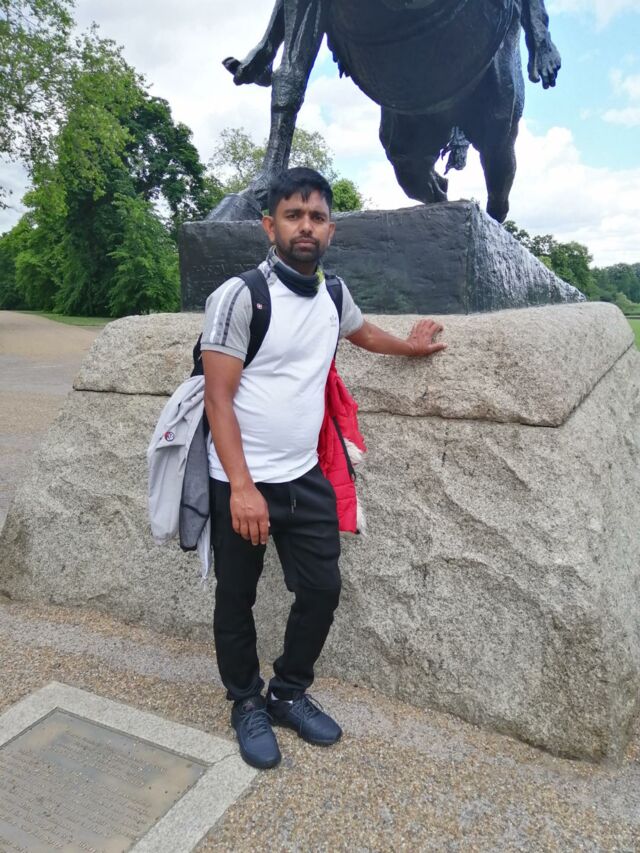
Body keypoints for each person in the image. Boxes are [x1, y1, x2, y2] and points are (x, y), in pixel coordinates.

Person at [201, 167, 446, 770]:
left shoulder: (333, 294)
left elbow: (362, 333)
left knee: (321, 589)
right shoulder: (240, 296)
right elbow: (217, 399)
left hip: (304, 476)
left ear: (331, 230)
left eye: (316, 217)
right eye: (293, 216)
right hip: (243, 480)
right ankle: (245, 701)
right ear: (270, 226)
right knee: (236, 596)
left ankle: (287, 692)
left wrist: (411, 347)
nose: (305, 226)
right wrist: (241, 487)